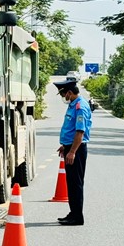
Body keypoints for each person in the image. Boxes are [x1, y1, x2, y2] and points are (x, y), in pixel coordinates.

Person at [53, 78, 92, 226]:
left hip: (78, 149)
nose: (64, 97)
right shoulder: (73, 105)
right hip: (71, 147)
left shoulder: (80, 107)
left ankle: (77, 217)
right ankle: (73, 212)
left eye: (64, 94)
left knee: (76, 183)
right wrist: (66, 147)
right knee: (71, 183)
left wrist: (72, 151)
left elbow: (80, 132)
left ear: (70, 92)